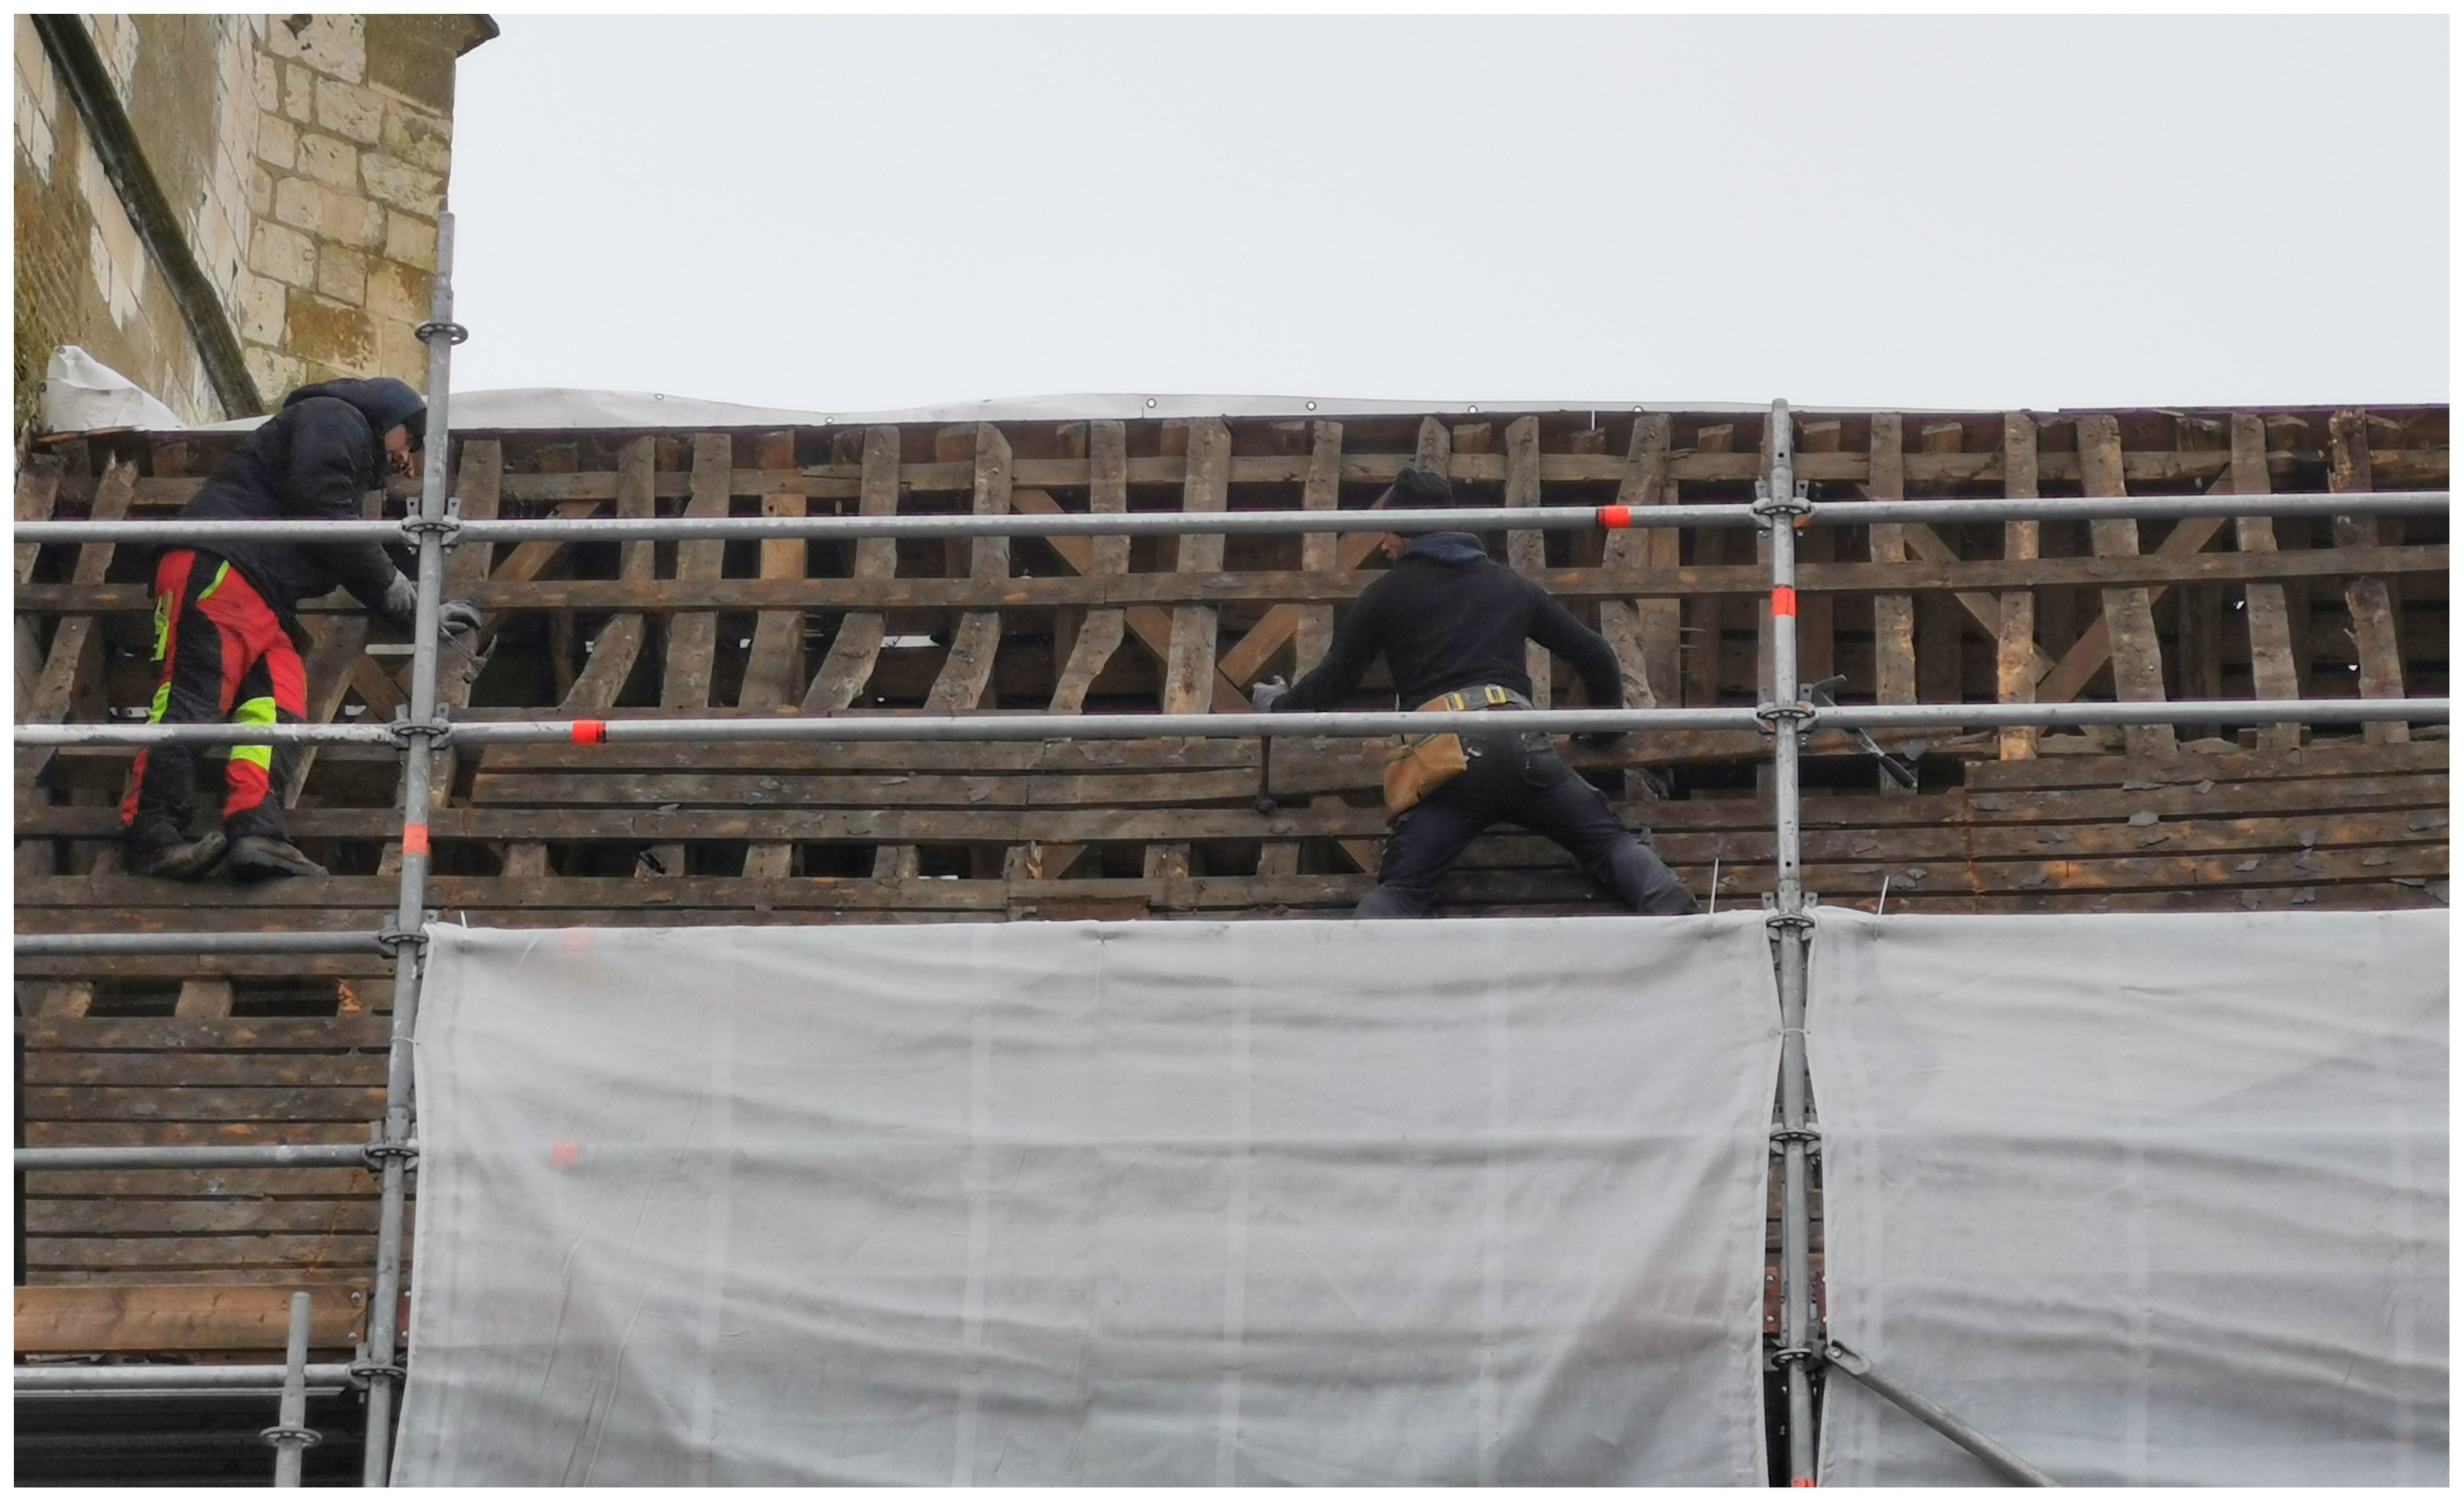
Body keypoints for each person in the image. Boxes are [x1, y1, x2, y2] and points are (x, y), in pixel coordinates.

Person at [1253, 466, 1697, 919]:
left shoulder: (1386, 595)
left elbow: (1332, 683)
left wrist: (1277, 707)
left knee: (1403, 890)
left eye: (1388, 529)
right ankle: (1678, 913)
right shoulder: (1508, 584)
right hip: (1522, 744)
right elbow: (1597, 654)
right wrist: (1601, 730)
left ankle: (1367, 968)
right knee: (1608, 843)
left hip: (1448, 761)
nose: (1384, 542)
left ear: (1405, 530)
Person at [119, 377, 481, 881]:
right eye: (410, 441)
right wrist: (408, 600)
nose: (407, 457)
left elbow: (340, 535)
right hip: (218, 568)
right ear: (391, 418)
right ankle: (152, 833)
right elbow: (327, 513)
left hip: (261, 594)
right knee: (193, 699)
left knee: (280, 704)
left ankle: (257, 831)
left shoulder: (335, 439)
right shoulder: (335, 417)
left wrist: (412, 601)